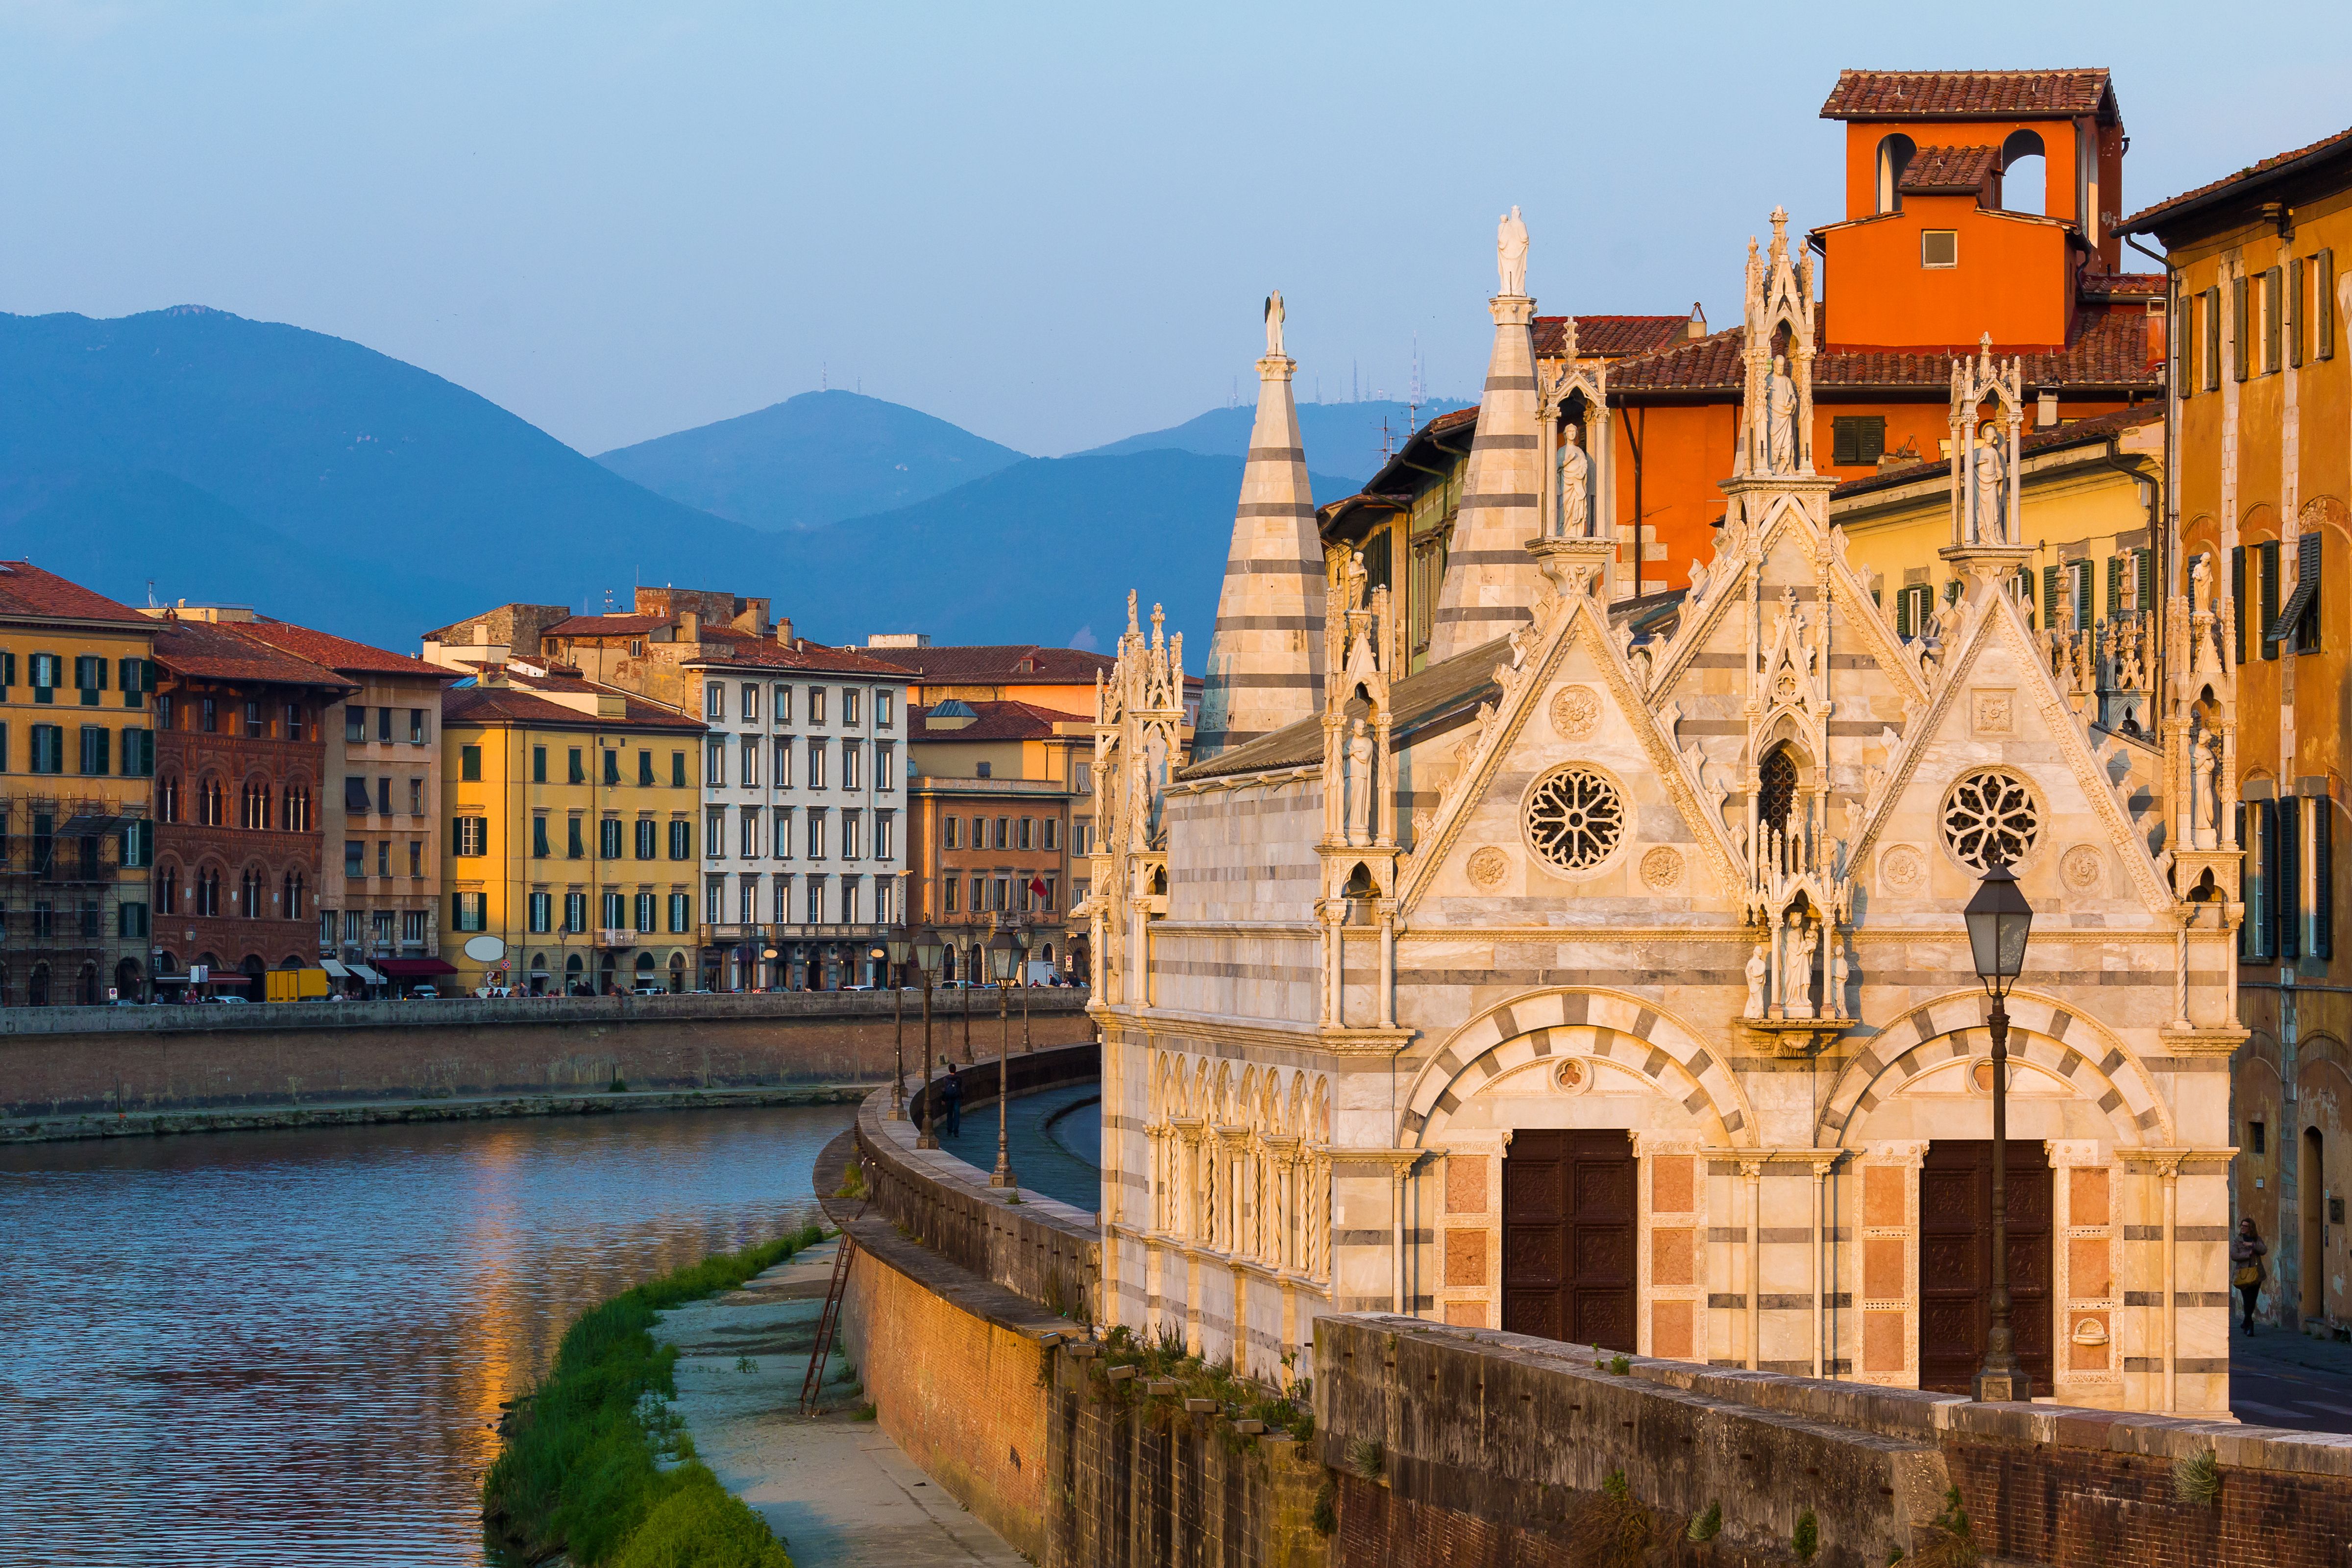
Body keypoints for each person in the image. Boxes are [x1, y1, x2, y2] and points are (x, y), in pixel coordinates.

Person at [2231, 1217, 2269, 1334]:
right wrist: (2248, 1254)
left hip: (2256, 1274)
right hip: (2243, 1274)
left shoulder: (2257, 1239)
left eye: (2245, 1226)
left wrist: (2253, 1245)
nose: (2243, 1228)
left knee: (2253, 1300)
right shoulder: (2238, 1240)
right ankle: (2249, 1323)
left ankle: (2247, 1322)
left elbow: (2264, 1250)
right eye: (2242, 1226)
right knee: (2247, 1299)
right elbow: (2234, 1256)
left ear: (2250, 1228)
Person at [938, 1065, 964, 1138]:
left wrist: (943, 1099)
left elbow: (944, 1090)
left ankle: (949, 1130)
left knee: (949, 1115)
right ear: (955, 1070)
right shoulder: (959, 1079)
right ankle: (956, 1132)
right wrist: (962, 1097)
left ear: (949, 1070)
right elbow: (961, 1089)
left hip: (949, 1098)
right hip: (957, 1098)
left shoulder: (946, 1079)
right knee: (957, 1115)